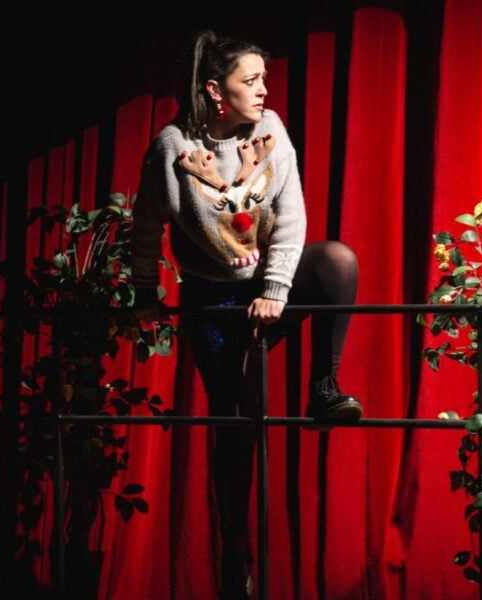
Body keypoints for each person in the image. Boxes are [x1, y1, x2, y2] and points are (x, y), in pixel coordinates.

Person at [131, 30, 360, 598]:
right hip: (213, 302)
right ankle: (235, 558)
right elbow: (144, 223)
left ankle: (324, 387)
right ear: (216, 90)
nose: (263, 91)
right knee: (241, 420)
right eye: (249, 81)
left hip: (266, 289)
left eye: (264, 79)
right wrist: (142, 292)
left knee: (336, 262)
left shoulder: (271, 129)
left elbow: (291, 215)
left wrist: (278, 287)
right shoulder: (172, 148)